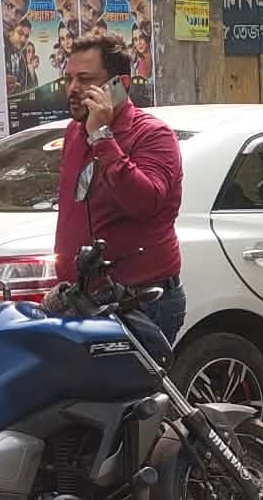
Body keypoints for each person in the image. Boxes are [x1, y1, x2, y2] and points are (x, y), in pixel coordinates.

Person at [52, 30, 186, 347]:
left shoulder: (153, 135)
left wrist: (102, 138)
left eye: (85, 79)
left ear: (120, 84)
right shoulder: (74, 133)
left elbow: (145, 202)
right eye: (69, 79)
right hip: (82, 300)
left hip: (138, 301)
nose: (73, 89)